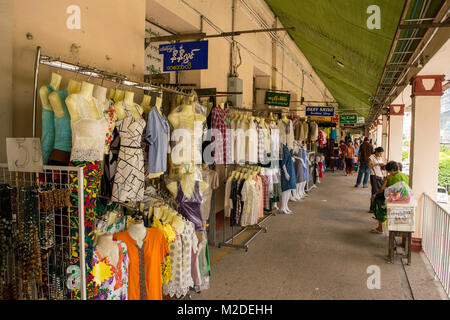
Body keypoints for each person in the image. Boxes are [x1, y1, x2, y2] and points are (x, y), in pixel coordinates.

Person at [370, 161, 409, 234]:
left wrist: (375, 194)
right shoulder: (406, 176)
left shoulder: (391, 177)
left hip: (395, 200)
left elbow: (383, 188)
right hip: (406, 200)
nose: (389, 173)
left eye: (388, 171)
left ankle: (380, 227)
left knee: (380, 204)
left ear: (391, 170)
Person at [368, 147, 385, 212]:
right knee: (374, 192)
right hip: (374, 175)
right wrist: (377, 164)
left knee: (380, 192)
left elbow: (381, 167)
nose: (381, 155)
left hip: (380, 175)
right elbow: (369, 166)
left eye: (382, 154)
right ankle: (372, 207)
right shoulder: (372, 157)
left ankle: (377, 207)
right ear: (376, 152)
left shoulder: (380, 158)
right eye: (380, 153)